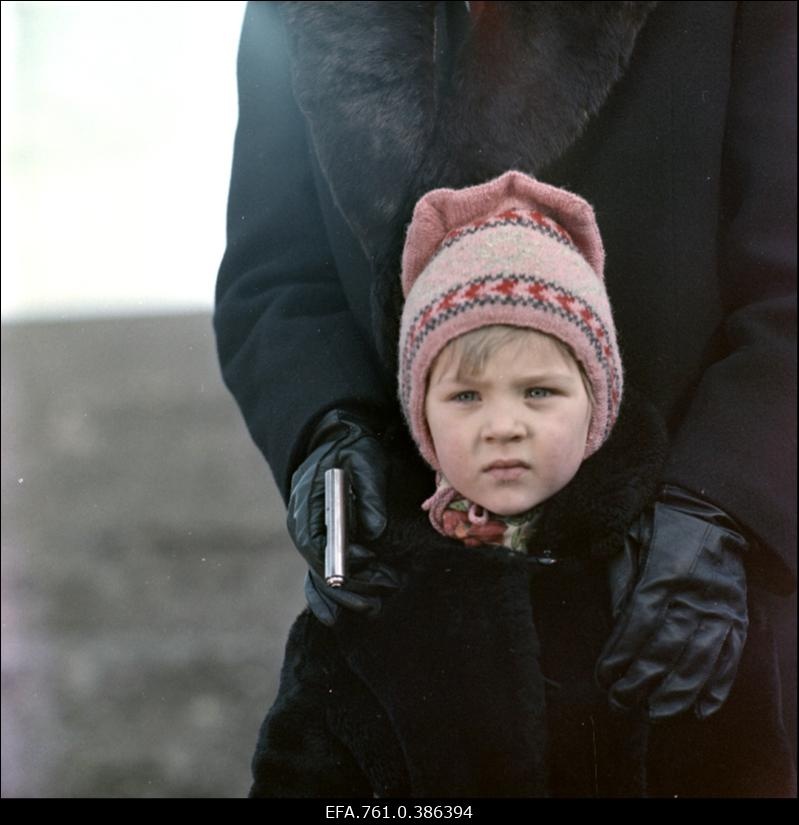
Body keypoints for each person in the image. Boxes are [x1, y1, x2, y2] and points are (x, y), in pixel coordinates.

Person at [215, 2, 796, 796]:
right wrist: (327, 433)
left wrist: (720, 507)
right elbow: (277, 269)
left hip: (682, 599)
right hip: (415, 601)